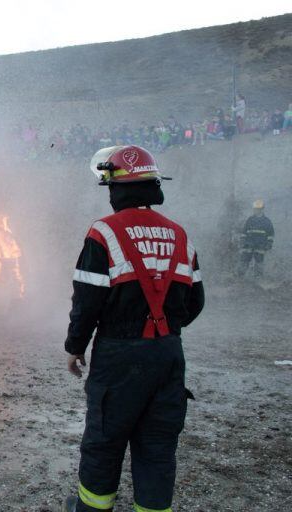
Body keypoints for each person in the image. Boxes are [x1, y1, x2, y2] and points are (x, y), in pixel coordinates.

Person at [63, 145, 204, 512]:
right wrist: (165, 328)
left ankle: (92, 509)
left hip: (119, 355)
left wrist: (75, 346)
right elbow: (196, 301)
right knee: (158, 447)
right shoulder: (180, 234)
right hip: (168, 355)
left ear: (117, 189)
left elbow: (87, 301)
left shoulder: (103, 233)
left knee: (104, 441)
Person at [238, 199, 274, 278]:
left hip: (260, 246)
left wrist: (269, 244)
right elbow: (244, 232)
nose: (256, 210)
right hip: (248, 245)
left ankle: (258, 279)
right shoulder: (250, 220)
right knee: (244, 261)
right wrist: (242, 241)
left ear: (262, 209)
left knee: (259, 262)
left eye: (258, 209)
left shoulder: (267, 221)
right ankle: (240, 277)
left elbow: (270, 234)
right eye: (255, 209)